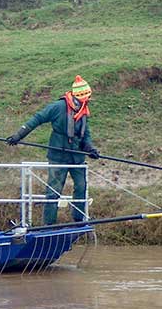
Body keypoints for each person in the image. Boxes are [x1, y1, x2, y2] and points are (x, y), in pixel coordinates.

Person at [7, 75, 100, 225]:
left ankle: (79, 219)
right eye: (87, 97)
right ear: (79, 96)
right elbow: (37, 118)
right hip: (58, 156)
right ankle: (48, 224)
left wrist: (90, 148)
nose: (88, 100)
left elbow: (85, 134)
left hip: (77, 157)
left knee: (81, 186)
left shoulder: (84, 110)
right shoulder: (58, 107)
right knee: (54, 191)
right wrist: (19, 135)